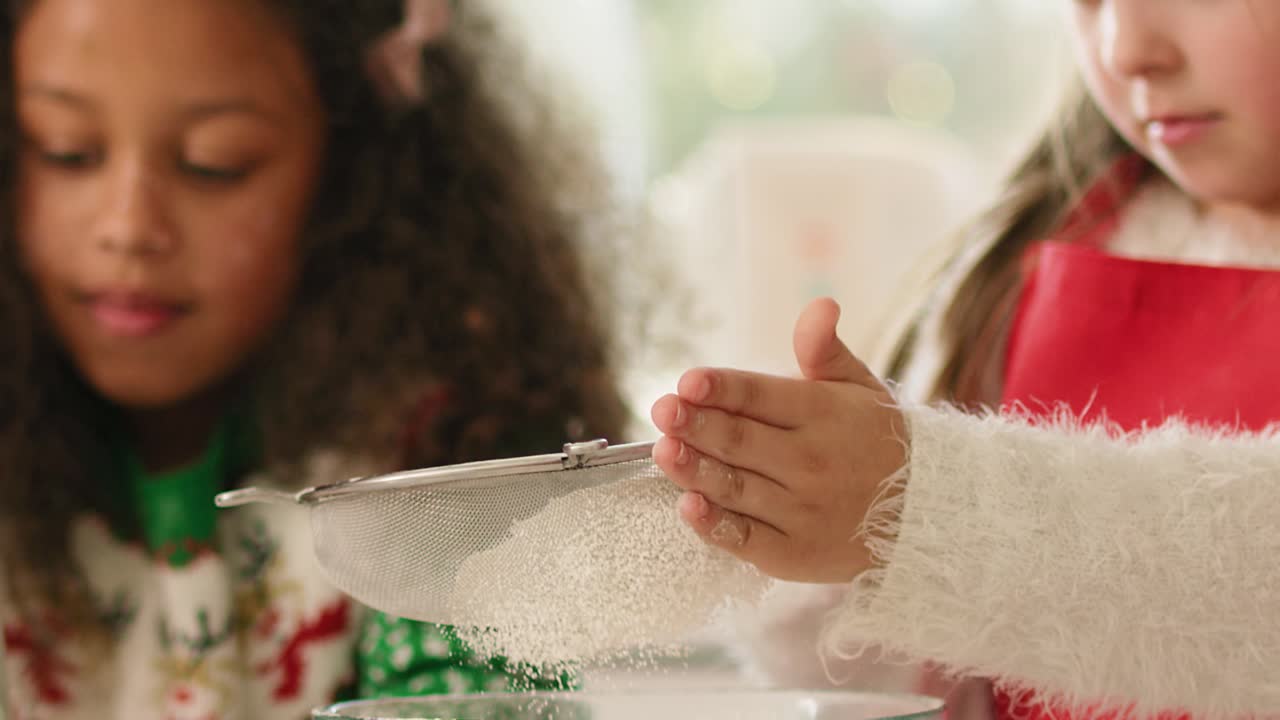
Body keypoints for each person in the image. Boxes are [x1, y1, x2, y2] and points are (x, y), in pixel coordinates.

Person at [0, 0, 629, 717]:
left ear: (351, 176)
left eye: (214, 162)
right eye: (66, 151)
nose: (129, 226)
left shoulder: (439, 476)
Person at [651, 2, 1280, 719]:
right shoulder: (1017, 260)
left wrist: (923, 512)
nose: (1127, 49)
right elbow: (932, 678)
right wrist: (810, 538)